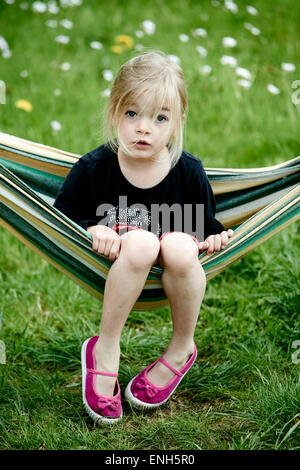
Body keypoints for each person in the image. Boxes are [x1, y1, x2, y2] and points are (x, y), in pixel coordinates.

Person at [54, 50, 234, 424]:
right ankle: (106, 347)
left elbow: (205, 227)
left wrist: (214, 239)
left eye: (160, 118)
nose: (143, 128)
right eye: (132, 113)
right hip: (119, 259)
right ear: (114, 112)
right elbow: (62, 216)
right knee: (142, 241)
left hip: (173, 265)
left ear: (178, 122)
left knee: (180, 247)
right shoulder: (93, 169)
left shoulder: (188, 173)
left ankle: (182, 347)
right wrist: (94, 228)